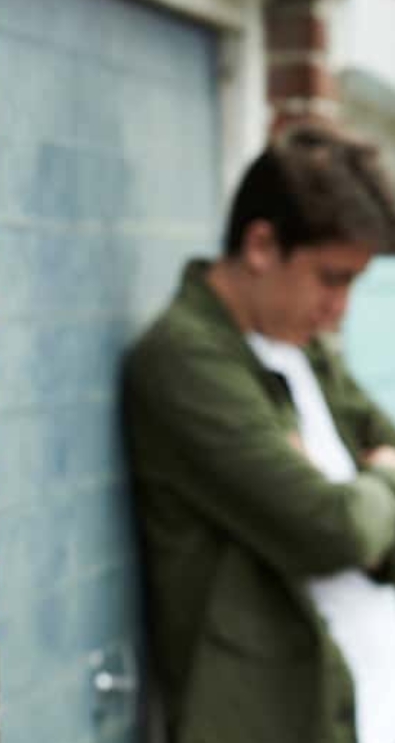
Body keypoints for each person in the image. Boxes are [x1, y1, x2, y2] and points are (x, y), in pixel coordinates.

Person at [124, 123, 395, 743]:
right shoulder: (184, 360)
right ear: (262, 245)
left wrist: (360, 503)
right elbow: (331, 531)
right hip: (281, 720)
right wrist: (380, 475)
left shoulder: (304, 350)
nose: (341, 308)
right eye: (332, 278)